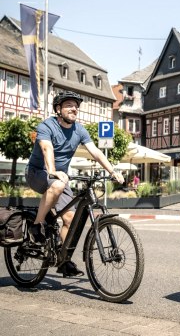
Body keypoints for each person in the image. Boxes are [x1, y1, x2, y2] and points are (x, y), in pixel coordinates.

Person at [25, 90, 124, 277]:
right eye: (69, 105)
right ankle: (36, 225)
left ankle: (64, 261)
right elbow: (47, 149)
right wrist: (53, 171)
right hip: (37, 173)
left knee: (70, 219)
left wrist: (112, 171)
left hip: (60, 177)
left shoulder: (79, 130)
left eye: (76, 106)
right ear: (58, 108)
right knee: (58, 185)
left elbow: (95, 152)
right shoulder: (47, 126)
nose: (74, 108)